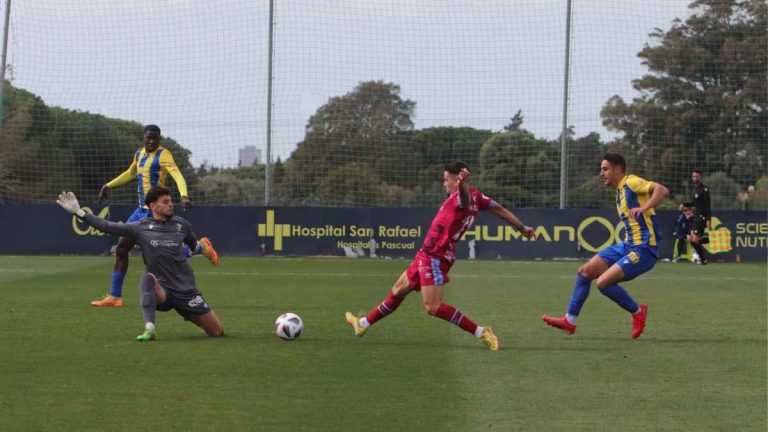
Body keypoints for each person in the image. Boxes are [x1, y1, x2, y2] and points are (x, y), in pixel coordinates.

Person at [344, 161, 535, 351]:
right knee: (398, 291)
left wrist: (461, 185)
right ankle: (362, 323)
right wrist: (522, 227)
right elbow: (500, 209)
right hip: (425, 254)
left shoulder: (462, 197)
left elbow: (464, 200)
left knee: (433, 307)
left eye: (446, 179)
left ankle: (482, 332)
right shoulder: (478, 197)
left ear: (456, 179)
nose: (444, 183)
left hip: (436, 256)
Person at [57, 187, 224, 341]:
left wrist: (201, 248)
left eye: (171, 201)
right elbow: (107, 226)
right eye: (165, 202)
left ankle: (188, 312)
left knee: (217, 332)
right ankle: (150, 328)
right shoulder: (140, 227)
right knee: (147, 278)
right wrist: (78, 212)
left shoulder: (182, 225)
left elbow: (194, 246)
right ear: (153, 206)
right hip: (162, 291)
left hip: (186, 291)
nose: (171, 204)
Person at [542, 153, 669, 339]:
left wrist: (644, 207)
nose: (601, 173)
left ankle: (638, 312)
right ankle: (570, 321)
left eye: (605, 169)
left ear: (617, 170)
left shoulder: (631, 182)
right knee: (585, 272)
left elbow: (661, 190)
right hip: (627, 245)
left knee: (602, 283)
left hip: (644, 250)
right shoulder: (619, 193)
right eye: (601, 169)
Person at [92, 124, 218, 307]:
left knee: (162, 252)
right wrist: (108, 185)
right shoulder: (139, 154)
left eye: (154, 138)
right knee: (121, 249)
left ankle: (201, 248)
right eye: (148, 138)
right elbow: (131, 172)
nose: (151, 141)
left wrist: (184, 196)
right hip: (140, 211)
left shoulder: (163, 155)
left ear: (159, 139)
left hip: (155, 212)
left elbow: (177, 175)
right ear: (143, 138)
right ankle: (115, 297)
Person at [689, 169, 711, 265]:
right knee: (692, 237)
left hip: (701, 217)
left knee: (694, 239)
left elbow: (707, 205)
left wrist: (708, 219)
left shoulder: (704, 189)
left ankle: (700, 258)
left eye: (697, 176)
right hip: (696, 217)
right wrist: (684, 205)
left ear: (700, 177)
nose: (695, 178)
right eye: (693, 176)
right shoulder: (694, 189)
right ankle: (702, 259)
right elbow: (694, 204)